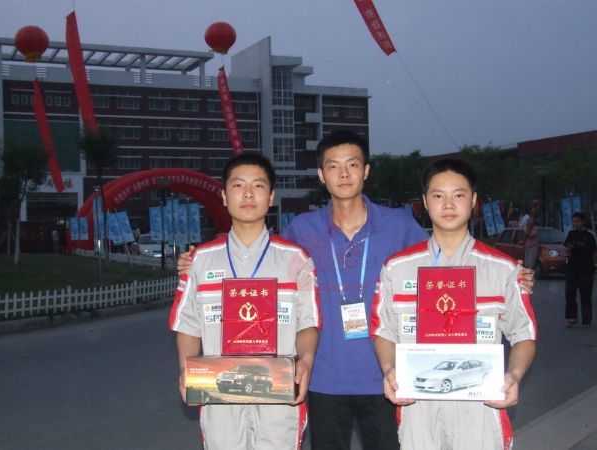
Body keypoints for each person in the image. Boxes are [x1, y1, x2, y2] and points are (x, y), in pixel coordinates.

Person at [176, 132, 535, 450]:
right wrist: (195, 263)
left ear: (366, 171)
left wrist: (512, 277)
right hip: (324, 378)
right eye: (333, 166)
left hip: (388, 379)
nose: (344, 174)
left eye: (352, 165)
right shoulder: (301, 231)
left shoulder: (399, 225)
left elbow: (446, 258)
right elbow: (258, 258)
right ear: (321, 175)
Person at [372, 158, 537, 450]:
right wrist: (388, 370)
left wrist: (514, 375)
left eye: (458, 195)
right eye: (438, 195)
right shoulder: (397, 268)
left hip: (481, 407)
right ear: (425, 202)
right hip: (418, 406)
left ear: (473, 201)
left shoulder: (503, 269)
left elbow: (524, 334)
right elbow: (384, 330)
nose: (448, 204)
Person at [169, 152, 320, 450]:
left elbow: (308, 323)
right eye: (238, 185)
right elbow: (188, 325)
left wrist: (306, 361)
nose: (248, 194)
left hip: (278, 391)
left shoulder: (296, 260)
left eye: (258, 186)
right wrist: (186, 368)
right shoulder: (200, 261)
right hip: (220, 390)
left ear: (271, 197)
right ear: (224, 196)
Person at [564, 212, 596, 328]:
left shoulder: (590, 235)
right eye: (573, 221)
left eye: (577, 221)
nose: (575, 224)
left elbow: (594, 252)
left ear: (583, 222)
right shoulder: (571, 234)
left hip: (586, 269)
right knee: (570, 293)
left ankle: (586, 319)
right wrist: (569, 248)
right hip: (572, 268)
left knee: (585, 294)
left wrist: (595, 265)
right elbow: (567, 247)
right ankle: (571, 318)